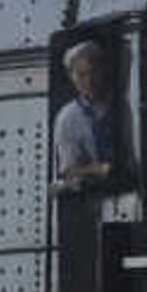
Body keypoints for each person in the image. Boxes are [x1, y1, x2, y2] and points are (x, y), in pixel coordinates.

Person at [51, 40, 124, 193]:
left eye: (93, 73)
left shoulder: (120, 106)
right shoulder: (68, 118)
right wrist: (97, 169)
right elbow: (68, 171)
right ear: (72, 78)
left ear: (102, 71)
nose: (88, 81)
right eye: (81, 75)